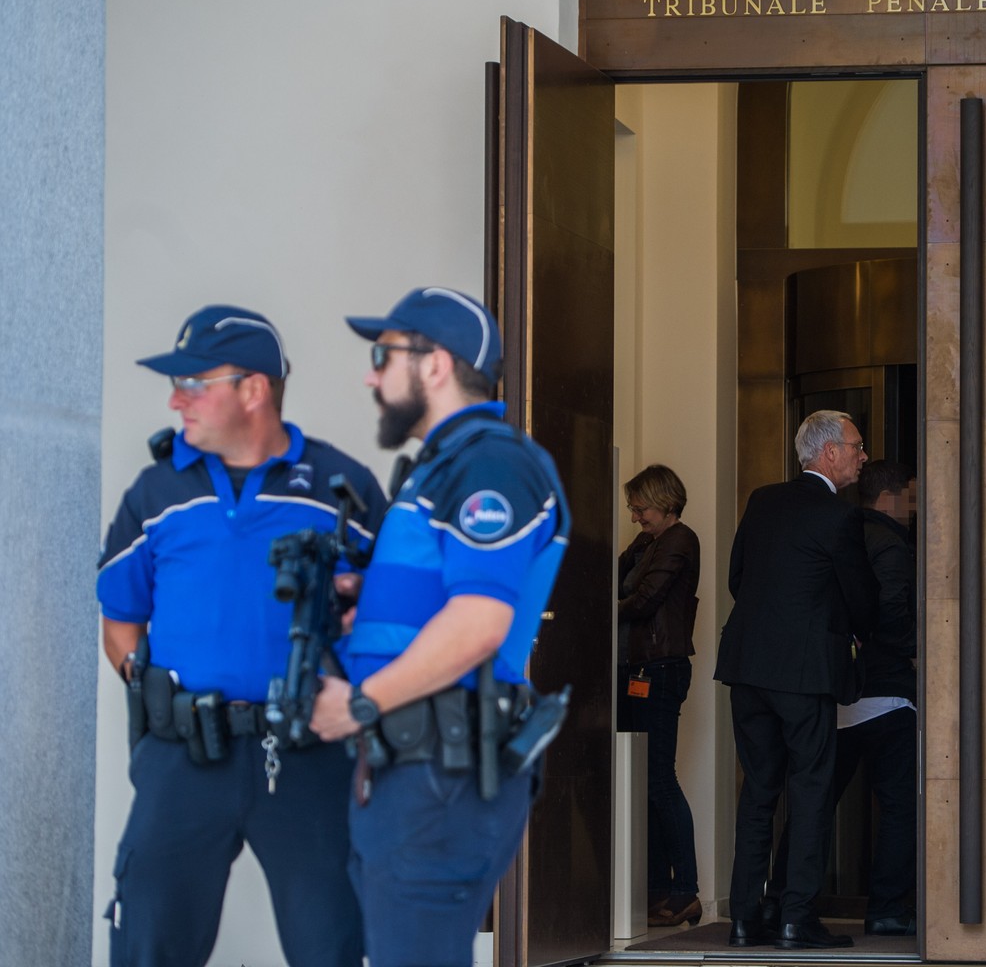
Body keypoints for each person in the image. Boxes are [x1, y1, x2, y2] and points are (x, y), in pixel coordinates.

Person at [98, 305, 385, 967]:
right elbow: (119, 616)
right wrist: (152, 689)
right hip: (184, 757)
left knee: (334, 945)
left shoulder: (343, 489)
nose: (176, 400)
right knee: (146, 943)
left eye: (194, 383)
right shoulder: (156, 491)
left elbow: (391, 611)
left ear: (253, 390)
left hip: (308, 758)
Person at [309, 287, 569, 967]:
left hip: (439, 777)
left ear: (435, 365)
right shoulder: (444, 467)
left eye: (383, 355)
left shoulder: (490, 463)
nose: (370, 375)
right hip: (412, 771)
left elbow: (480, 623)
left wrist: (361, 703)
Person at [714, 409, 879, 951]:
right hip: (804, 674)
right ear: (829, 453)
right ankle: (795, 919)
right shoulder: (838, 516)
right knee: (810, 791)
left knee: (759, 789)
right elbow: (861, 599)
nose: (862, 456)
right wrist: (848, 631)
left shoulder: (762, 500)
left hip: (747, 668)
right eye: (857, 446)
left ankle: (743, 918)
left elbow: (740, 577)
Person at [616, 464, 703, 928]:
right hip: (638, 669)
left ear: (665, 504)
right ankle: (652, 890)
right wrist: (635, 547)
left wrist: (600, 608)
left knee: (658, 780)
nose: (635, 517)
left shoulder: (680, 539)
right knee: (639, 780)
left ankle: (685, 889)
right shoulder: (650, 542)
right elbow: (616, 579)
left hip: (660, 670)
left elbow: (645, 600)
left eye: (641, 508)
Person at [843, 459, 919, 936]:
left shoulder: (845, 537)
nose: (913, 508)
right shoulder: (891, 542)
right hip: (887, 694)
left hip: (840, 694)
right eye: (910, 498)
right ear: (890, 497)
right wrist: (916, 653)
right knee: (898, 806)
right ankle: (888, 909)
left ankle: (785, 901)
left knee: (815, 802)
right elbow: (891, 612)